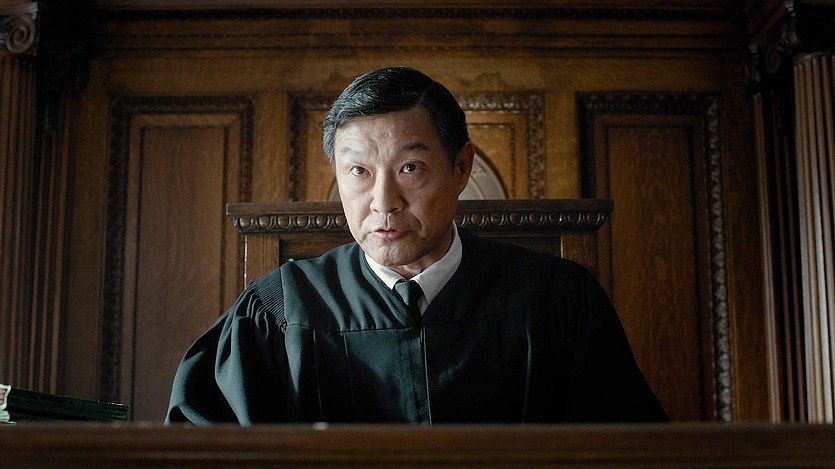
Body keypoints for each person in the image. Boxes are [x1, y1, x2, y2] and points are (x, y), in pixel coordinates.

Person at [165, 66, 668, 425]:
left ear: (461, 168)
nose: (384, 202)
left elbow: (627, 449)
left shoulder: (555, 299)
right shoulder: (280, 310)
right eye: (358, 171)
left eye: (410, 167)